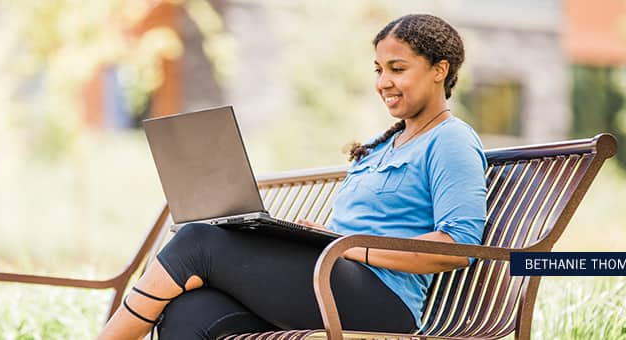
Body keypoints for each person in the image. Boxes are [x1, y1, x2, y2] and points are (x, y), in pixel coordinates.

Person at [98, 13, 487, 340]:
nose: (383, 81)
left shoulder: (450, 140)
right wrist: (316, 238)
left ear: (440, 70)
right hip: (331, 276)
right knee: (192, 311)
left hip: (381, 302)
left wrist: (348, 246)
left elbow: (457, 247)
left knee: (199, 241)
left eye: (397, 69)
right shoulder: (385, 145)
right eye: (379, 69)